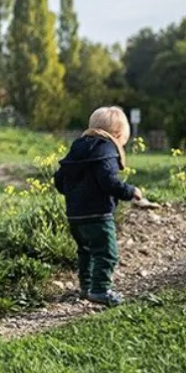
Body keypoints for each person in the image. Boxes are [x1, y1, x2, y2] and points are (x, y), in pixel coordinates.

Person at [54, 105, 142, 307]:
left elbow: (59, 179)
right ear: (117, 135)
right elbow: (108, 181)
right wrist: (130, 191)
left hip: (75, 216)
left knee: (85, 251)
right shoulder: (106, 149)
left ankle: (86, 287)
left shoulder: (77, 148)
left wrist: (75, 194)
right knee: (106, 253)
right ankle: (100, 290)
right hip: (98, 215)